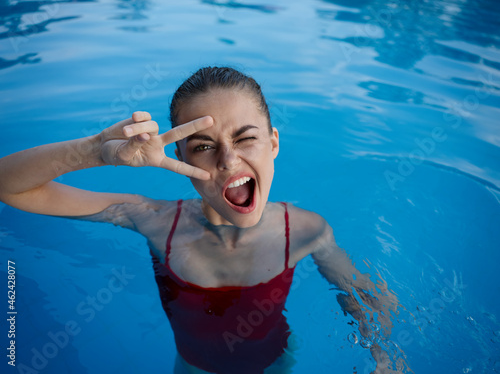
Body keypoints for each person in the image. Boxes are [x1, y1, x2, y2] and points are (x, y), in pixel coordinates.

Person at [0, 67, 406, 373]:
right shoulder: (156, 222)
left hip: (277, 362)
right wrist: (95, 151)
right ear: (179, 159)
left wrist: (383, 357)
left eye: (246, 138)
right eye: (203, 146)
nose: (228, 160)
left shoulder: (304, 230)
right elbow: (10, 186)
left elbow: (366, 298)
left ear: (274, 143)